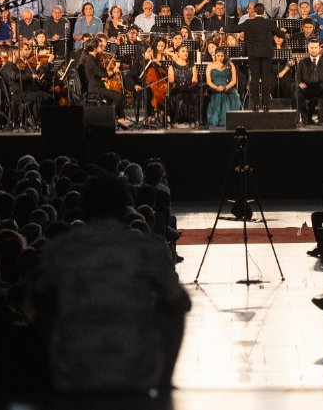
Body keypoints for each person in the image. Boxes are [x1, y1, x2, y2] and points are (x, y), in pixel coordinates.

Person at [34, 173, 189, 392]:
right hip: (137, 373)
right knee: (173, 304)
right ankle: (165, 382)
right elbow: (181, 303)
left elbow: (39, 302)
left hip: (74, 375)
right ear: (124, 206)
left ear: (85, 207)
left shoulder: (61, 248)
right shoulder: (144, 247)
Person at [227, 2, 286, 110]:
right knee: (265, 78)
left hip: (253, 54)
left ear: (254, 11)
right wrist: (283, 31)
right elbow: (281, 34)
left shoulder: (249, 22)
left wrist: (224, 29)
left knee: (255, 78)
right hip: (266, 55)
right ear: (263, 11)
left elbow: (236, 29)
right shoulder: (269, 23)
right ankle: (265, 104)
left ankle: (256, 104)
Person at [82, 38, 130, 128]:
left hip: (99, 85)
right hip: (95, 88)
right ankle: (108, 118)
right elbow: (103, 74)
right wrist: (114, 71)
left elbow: (103, 73)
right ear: (94, 47)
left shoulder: (94, 58)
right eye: (100, 46)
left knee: (120, 94)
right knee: (118, 97)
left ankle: (120, 119)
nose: (102, 48)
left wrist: (113, 71)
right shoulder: (90, 59)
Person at [205, 49, 241, 127]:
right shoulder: (210, 65)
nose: (220, 58)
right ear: (215, 56)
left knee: (229, 94)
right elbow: (208, 81)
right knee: (218, 95)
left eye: (222, 56)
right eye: (218, 56)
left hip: (227, 87)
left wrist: (226, 87)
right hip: (215, 88)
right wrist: (216, 87)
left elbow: (234, 80)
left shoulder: (230, 64)